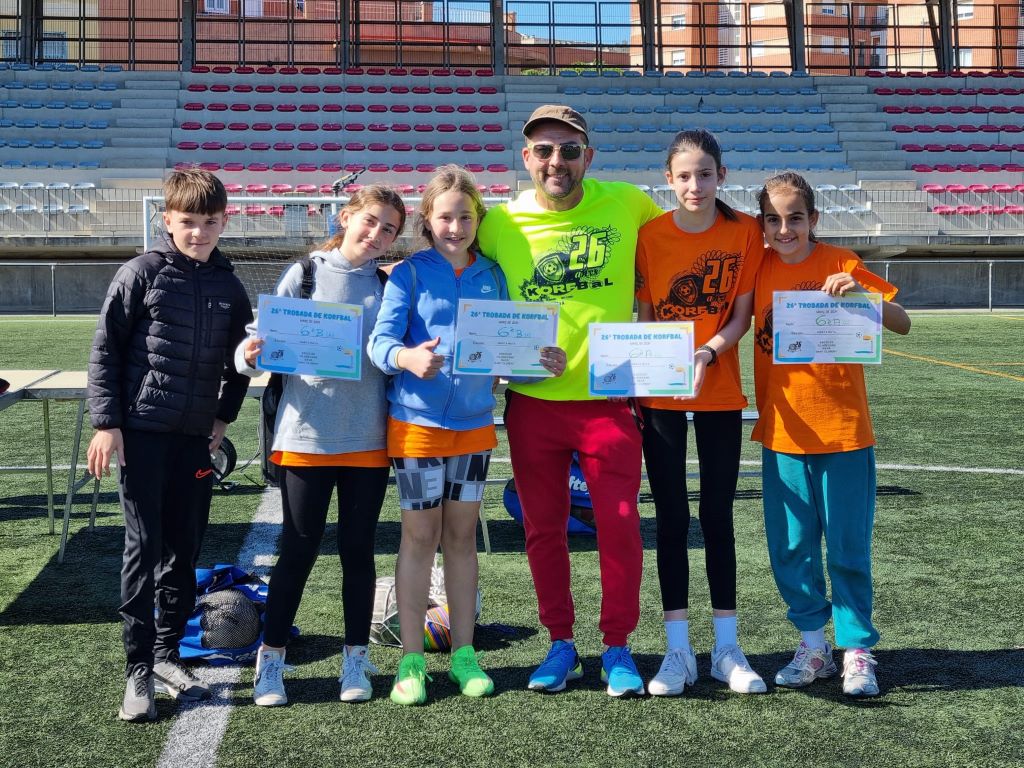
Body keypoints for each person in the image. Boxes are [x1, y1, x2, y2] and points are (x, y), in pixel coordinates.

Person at [477, 105, 664, 697]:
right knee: (543, 530)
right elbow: (451, 270)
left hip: (610, 402)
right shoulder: (498, 223)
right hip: (533, 403)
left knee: (621, 527)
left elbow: (685, 241)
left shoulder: (629, 203)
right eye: (544, 150)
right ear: (526, 157)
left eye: (569, 149)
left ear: (590, 157)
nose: (556, 160)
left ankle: (617, 646)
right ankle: (560, 642)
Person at [370, 165, 564, 705]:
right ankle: (411, 660)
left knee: (460, 539)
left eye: (465, 217)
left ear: (478, 219)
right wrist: (407, 358)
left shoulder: (493, 275)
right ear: (427, 221)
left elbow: (507, 355)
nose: (455, 227)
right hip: (417, 429)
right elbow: (380, 344)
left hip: (474, 429)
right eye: (445, 217)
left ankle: (464, 654)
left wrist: (539, 364)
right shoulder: (408, 274)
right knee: (419, 538)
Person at [85, 168, 253, 722]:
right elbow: (106, 350)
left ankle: (166, 654)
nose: (198, 233)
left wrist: (223, 418)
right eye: (188, 222)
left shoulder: (229, 287)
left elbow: (242, 363)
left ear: (225, 221)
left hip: (194, 441)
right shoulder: (142, 272)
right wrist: (107, 423)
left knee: (184, 549)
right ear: (167, 220)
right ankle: (137, 668)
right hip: (141, 435)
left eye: (210, 222)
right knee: (144, 548)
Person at [237, 185, 406, 707]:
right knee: (299, 548)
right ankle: (271, 660)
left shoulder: (388, 285)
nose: (376, 234)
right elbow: (257, 346)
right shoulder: (305, 273)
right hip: (306, 436)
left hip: (368, 439)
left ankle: (355, 659)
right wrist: (250, 353)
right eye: (370, 220)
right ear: (346, 216)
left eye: (389, 229)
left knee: (358, 551)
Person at [753, 171, 911, 698]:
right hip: (782, 431)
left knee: (847, 546)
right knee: (791, 548)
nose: (785, 229)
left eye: (795, 218)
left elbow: (902, 322)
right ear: (762, 225)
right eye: (773, 219)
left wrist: (863, 295)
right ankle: (813, 645)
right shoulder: (758, 267)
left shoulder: (841, 261)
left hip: (844, 431)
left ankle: (857, 649)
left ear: (813, 219)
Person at [635, 129, 766, 696]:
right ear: (669, 179)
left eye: (705, 174)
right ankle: (678, 651)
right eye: (684, 176)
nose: (695, 185)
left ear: (721, 175)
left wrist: (707, 352)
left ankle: (727, 649)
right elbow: (644, 316)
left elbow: (741, 316)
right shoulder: (649, 236)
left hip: (719, 389)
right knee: (669, 518)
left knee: (717, 515)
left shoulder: (746, 232)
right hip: (660, 393)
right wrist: (651, 365)